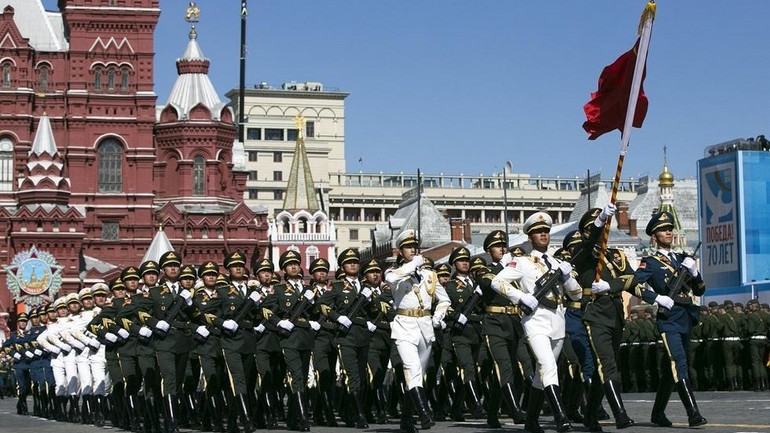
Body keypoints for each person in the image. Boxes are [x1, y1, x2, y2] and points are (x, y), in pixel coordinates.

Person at [492, 212, 582, 433]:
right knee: (548, 366)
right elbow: (497, 281)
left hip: (557, 322)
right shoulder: (521, 261)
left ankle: (531, 420)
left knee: (543, 375)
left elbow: (577, 294)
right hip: (536, 321)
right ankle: (561, 417)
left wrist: (568, 277)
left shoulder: (558, 262)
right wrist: (521, 297)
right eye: (538, 232)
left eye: (546, 231)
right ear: (530, 237)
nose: (543, 234)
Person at [635, 211, 707, 427]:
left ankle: (657, 413)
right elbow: (635, 285)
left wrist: (695, 274)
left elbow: (700, 290)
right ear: (654, 235)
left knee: (671, 368)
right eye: (663, 230)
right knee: (678, 361)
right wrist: (657, 297)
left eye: (670, 229)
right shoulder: (650, 262)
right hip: (669, 318)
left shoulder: (682, 258)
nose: (669, 232)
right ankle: (692, 413)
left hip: (686, 315)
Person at [384, 229, 450, 432]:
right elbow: (390, 280)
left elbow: (444, 299)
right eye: (408, 247)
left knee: (417, 376)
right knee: (411, 369)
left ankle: (406, 419)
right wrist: (413, 264)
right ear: (400, 251)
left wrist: (438, 317)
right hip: (404, 325)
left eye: (415, 246)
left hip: (425, 326)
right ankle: (424, 413)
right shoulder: (393, 273)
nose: (412, 249)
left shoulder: (429, 275)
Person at [477, 230, 528, 428]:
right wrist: (503, 266)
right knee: (503, 366)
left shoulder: (513, 269)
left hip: (514, 322)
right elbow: (487, 283)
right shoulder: (487, 269)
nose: (502, 248)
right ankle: (515, 410)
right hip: (495, 323)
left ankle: (492, 413)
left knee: (515, 368)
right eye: (498, 246)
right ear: (489, 250)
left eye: (504, 245)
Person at [320, 248, 373, 428]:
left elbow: (373, 311)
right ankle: (359, 416)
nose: (353, 264)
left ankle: (347, 411)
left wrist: (373, 302)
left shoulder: (366, 287)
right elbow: (323, 305)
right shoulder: (337, 287)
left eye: (356, 262)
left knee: (363, 378)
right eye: (349, 262)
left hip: (363, 335)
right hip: (345, 337)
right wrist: (337, 317)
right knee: (353, 377)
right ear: (343, 266)